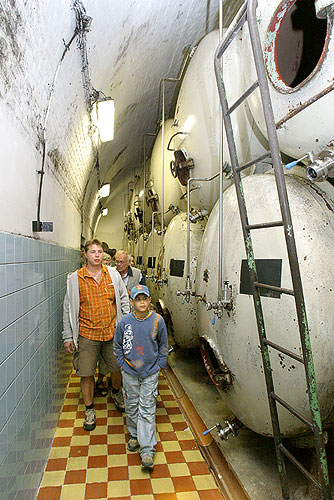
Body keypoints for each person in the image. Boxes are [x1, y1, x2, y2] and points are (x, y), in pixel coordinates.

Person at [62, 239, 130, 431]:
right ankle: (90, 409)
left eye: (100, 251)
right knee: (86, 373)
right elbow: (68, 309)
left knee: (117, 367)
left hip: (111, 332)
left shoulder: (113, 275)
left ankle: (116, 392)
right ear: (85, 254)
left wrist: (124, 325)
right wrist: (68, 336)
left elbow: (123, 300)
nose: (97, 255)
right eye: (93, 252)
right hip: (87, 334)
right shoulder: (75, 279)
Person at [113, 284, 168, 470]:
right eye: (138, 299)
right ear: (132, 302)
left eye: (144, 299)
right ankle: (135, 435)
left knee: (147, 407)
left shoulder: (157, 321)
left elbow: (163, 346)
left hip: (150, 372)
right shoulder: (125, 322)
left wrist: (160, 365)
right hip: (129, 371)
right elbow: (117, 345)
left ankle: (147, 450)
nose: (141, 302)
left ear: (149, 301)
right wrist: (122, 363)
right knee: (131, 404)